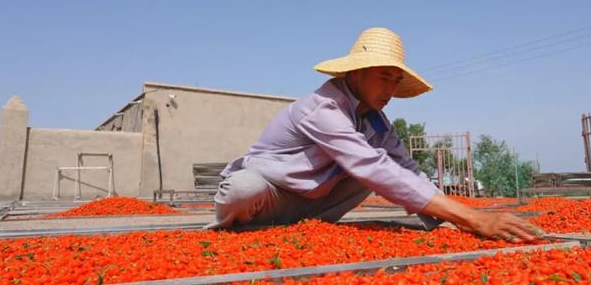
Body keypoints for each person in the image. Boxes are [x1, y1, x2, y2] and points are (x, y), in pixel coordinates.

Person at [205, 27, 539, 241]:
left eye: (396, 80)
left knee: (386, 169)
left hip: (316, 208)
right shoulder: (323, 108)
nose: (390, 89)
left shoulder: (376, 121)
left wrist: (449, 222)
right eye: (384, 77)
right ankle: (240, 228)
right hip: (269, 198)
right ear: (357, 72)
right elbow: (372, 166)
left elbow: (407, 170)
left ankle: (305, 229)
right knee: (243, 187)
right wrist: (475, 217)